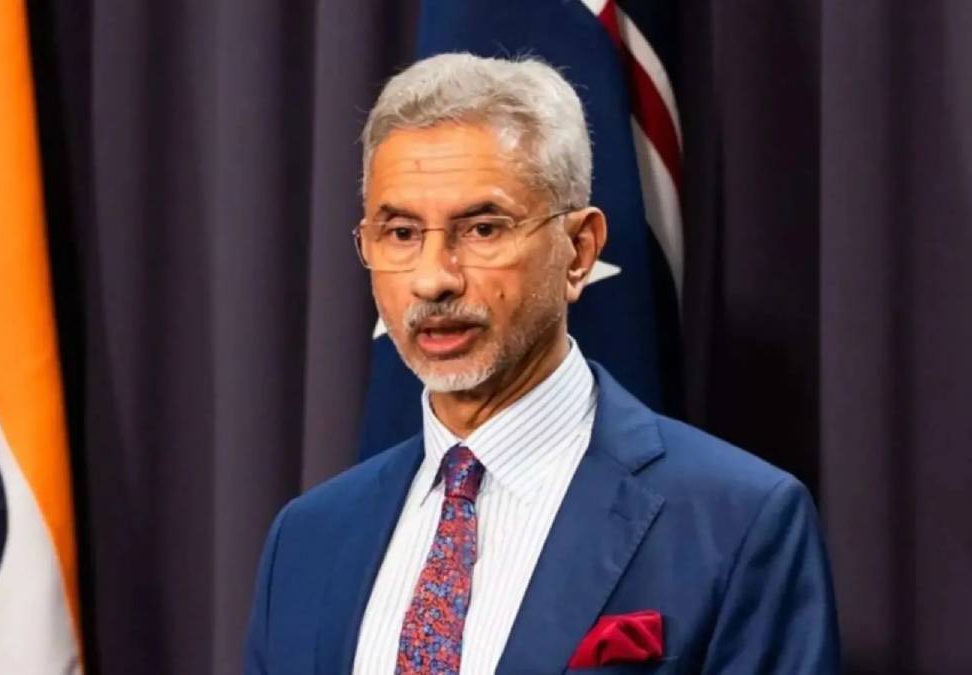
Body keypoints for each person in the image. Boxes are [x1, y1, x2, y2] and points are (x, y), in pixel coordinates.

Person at [243, 53, 839, 674]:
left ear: (578, 250)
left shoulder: (739, 521)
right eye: (401, 234)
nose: (432, 279)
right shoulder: (306, 540)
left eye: (482, 229)